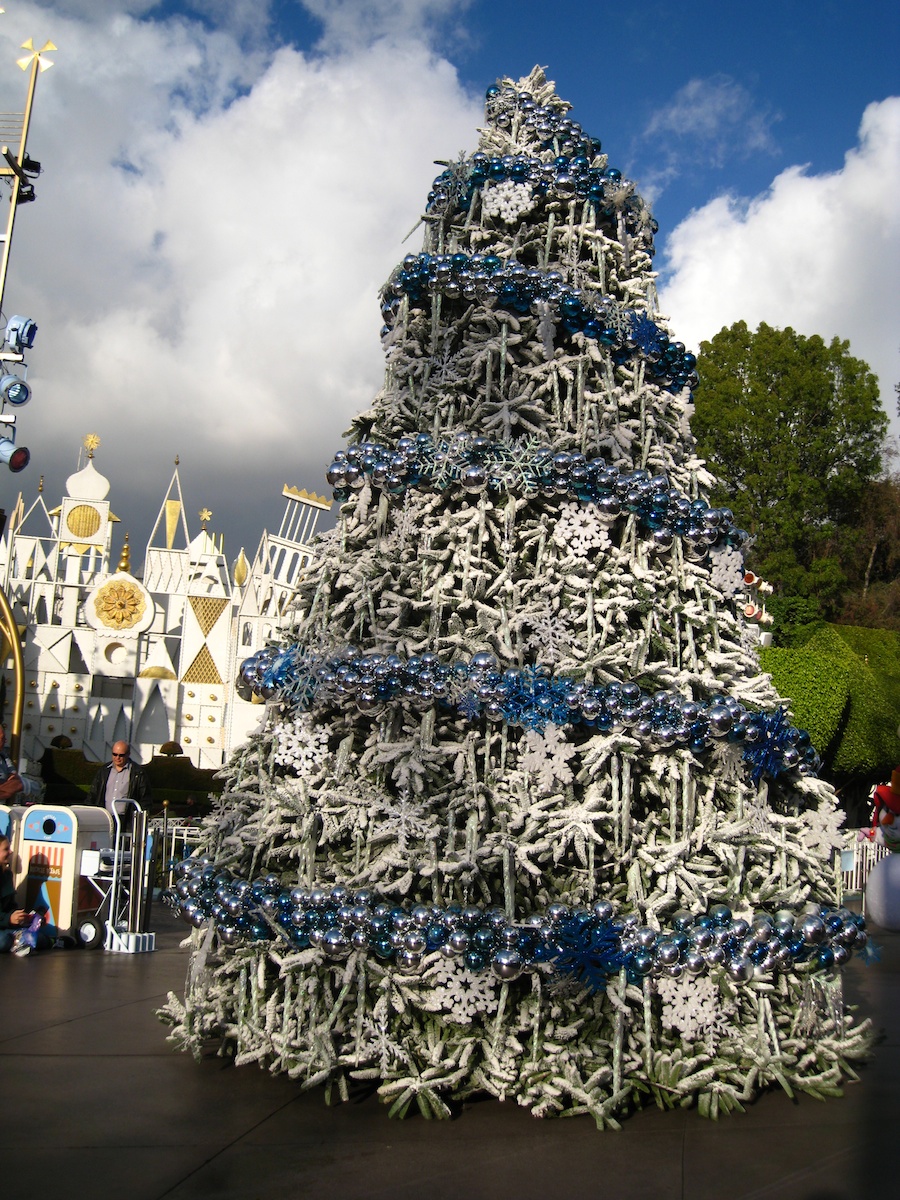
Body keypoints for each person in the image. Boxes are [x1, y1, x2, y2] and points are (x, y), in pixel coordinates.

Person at [86, 741, 152, 819]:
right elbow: (93, 793)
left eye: (121, 755)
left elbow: (145, 798)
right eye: (114, 754)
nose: (117, 758)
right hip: (105, 817)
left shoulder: (138, 773)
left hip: (126, 819)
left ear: (128, 754)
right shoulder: (104, 771)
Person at [0, 725, 24, 803]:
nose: (5, 741)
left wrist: (12, 775)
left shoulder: (4, 757)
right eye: (2, 738)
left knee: (17, 783)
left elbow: (14, 777)